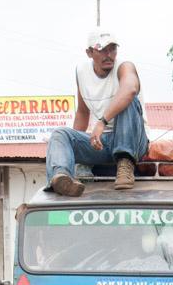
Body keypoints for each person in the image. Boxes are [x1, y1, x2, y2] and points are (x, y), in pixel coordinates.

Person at [45, 29, 149, 196]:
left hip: (134, 140)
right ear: (89, 53)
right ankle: (61, 178)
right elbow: (82, 113)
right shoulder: (81, 72)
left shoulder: (124, 66)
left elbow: (130, 89)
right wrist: (78, 152)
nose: (109, 55)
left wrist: (102, 122)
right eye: (102, 50)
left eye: (112, 49)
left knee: (127, 100)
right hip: (103, 143)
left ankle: (125, 164)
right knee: (60, 134)